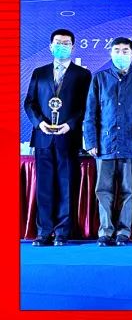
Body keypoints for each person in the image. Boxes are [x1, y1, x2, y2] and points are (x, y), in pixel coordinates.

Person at [23, 28, 92, 246]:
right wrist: (39, 123)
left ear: (73, 47)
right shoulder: (39, 72)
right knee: (44, 186)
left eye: (66, 43)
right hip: (43, 137)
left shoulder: (82, 75)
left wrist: (69, 125)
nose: (61, 46)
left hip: (68, 137)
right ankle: (44, 232)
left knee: (66, 185)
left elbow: (86, 107)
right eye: (58, 43)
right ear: (51, 46)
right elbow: (29, 103)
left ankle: (62, 232)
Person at [83, 37, 132, 246]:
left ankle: (123, 232)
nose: (120, 54)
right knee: (103, 190)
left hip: (131, 143)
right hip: (104, 144)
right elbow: (90, 113)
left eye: (125, 51)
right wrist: (90, 141)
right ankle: (105, 231)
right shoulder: (100, 78)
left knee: (127, 191)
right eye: (117, 50)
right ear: (111, 53)